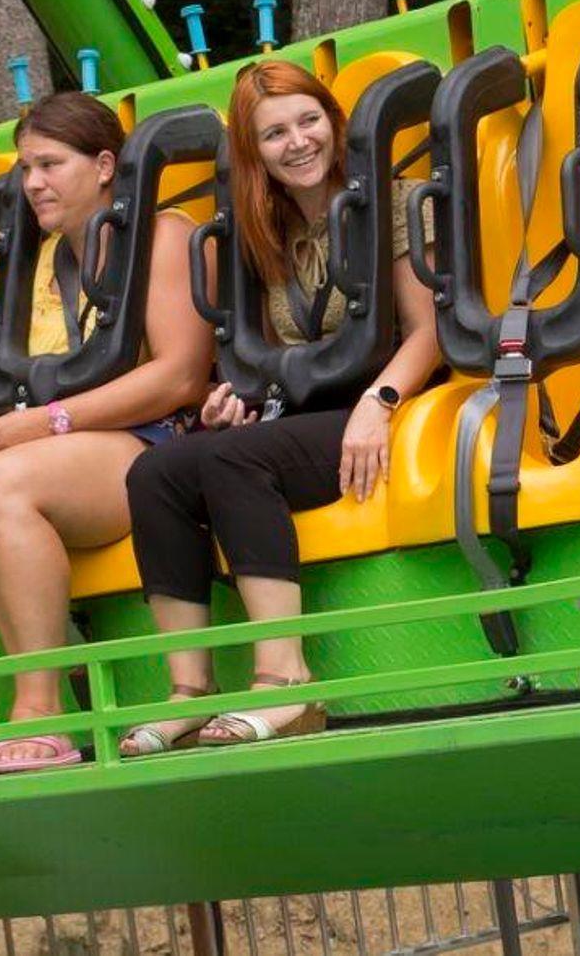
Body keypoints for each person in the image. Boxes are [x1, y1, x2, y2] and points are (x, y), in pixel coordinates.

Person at [121, 61, 440, 751]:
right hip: (305, 415)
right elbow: (279, 356)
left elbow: (429, 332)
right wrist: (237, 399)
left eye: (308, 121)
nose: (297, 142)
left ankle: (286, 678)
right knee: (157, 471)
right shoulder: (270, 231)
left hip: (396, 403)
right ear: (253, 152)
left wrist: (380, 402)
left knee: (233, 460)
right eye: (274, 134)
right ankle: (190, 691)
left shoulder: (397, 203)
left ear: (335, 123)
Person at [0, 93, 212, 781]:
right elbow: (6, 377)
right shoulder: (35, 259)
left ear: (103, 166)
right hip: (45, 445)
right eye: (25, 169)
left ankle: (40, 713)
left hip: (150, 446)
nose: (34, 182)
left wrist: (43, 424)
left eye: (50, 165)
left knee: (4, 480)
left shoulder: (162, 235)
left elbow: (181, 375)